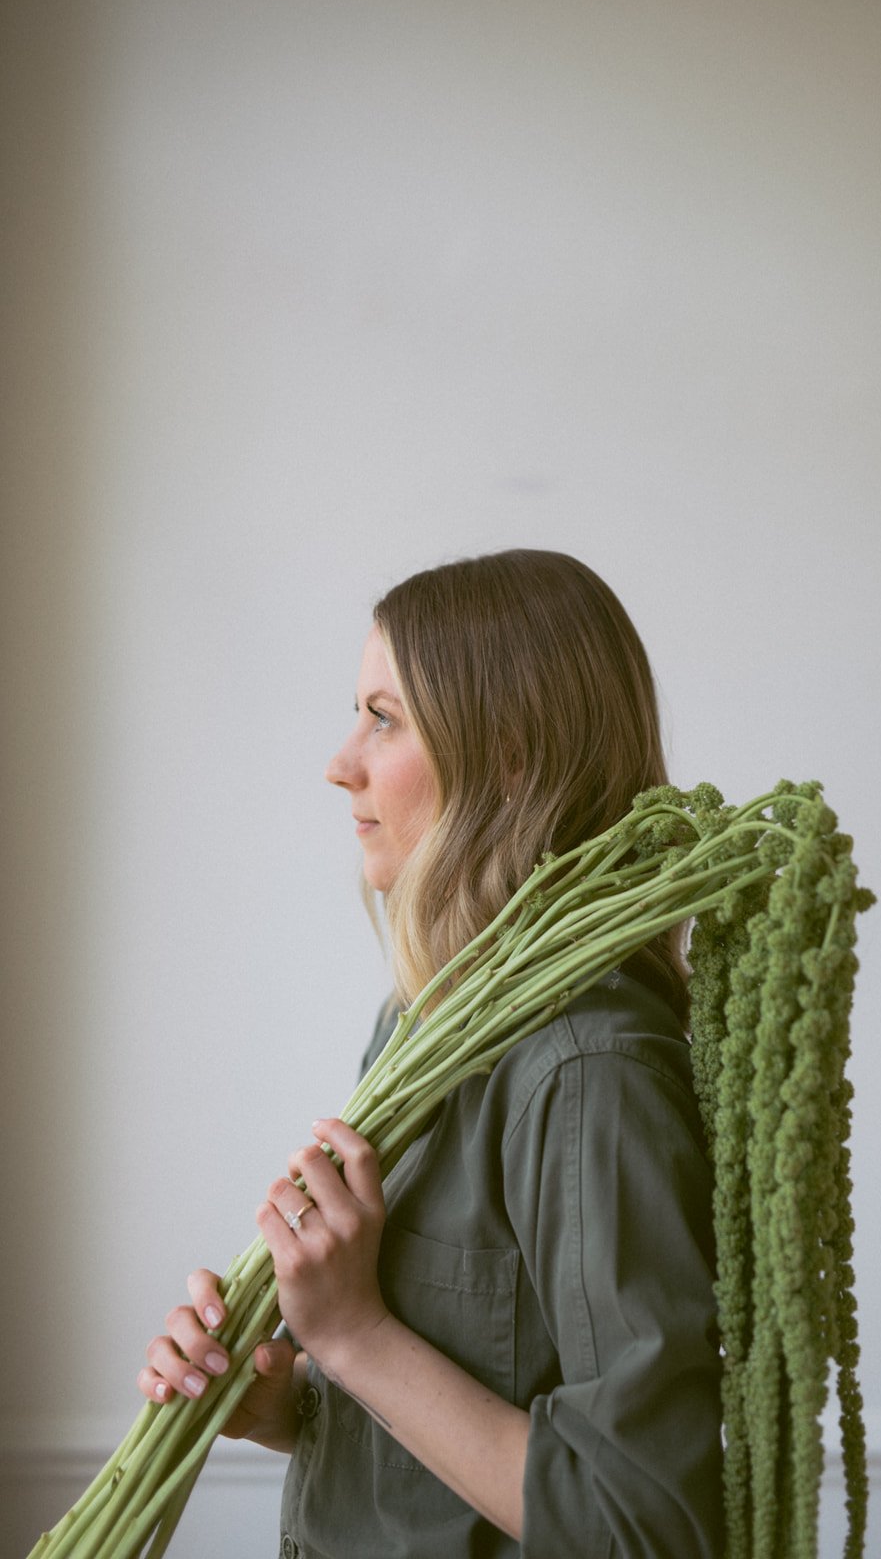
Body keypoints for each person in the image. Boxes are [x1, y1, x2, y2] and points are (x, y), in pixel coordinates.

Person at [138, 550, 725, 1559]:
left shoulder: (589, 1071)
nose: (341, 762)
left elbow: (644, 1529)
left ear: (507, 757)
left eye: (384, 718)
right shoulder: (417, 1020)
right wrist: (286, 1399)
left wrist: (352, 1335)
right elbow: (450, 1414)